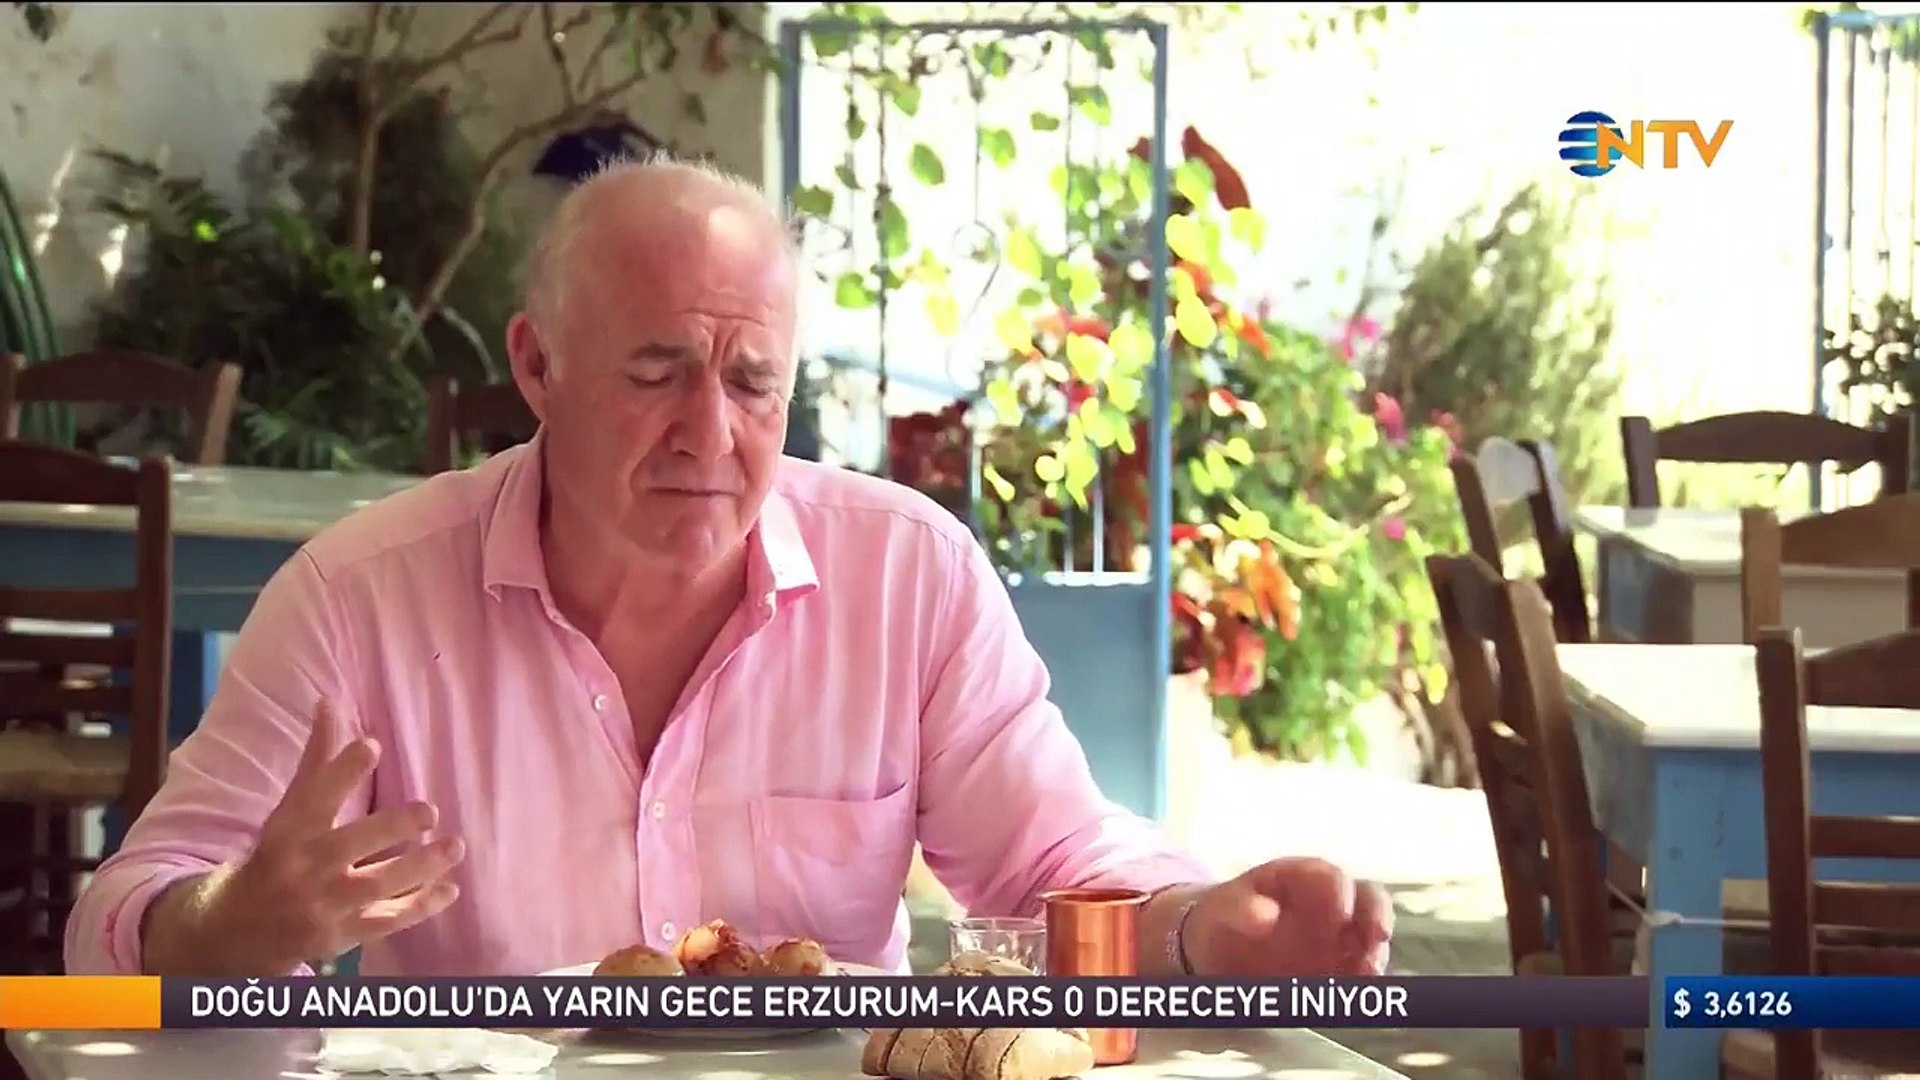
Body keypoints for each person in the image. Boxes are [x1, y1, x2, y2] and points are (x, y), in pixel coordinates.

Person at [65, 156, 1392, 980]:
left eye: (754, 383)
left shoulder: (909, 577)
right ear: (537, 365)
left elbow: (1053, 861)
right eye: (656, 373)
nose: (711, 435)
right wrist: (227, 926)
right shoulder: (360, 599)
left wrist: (1202, 928)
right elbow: (109, 929)